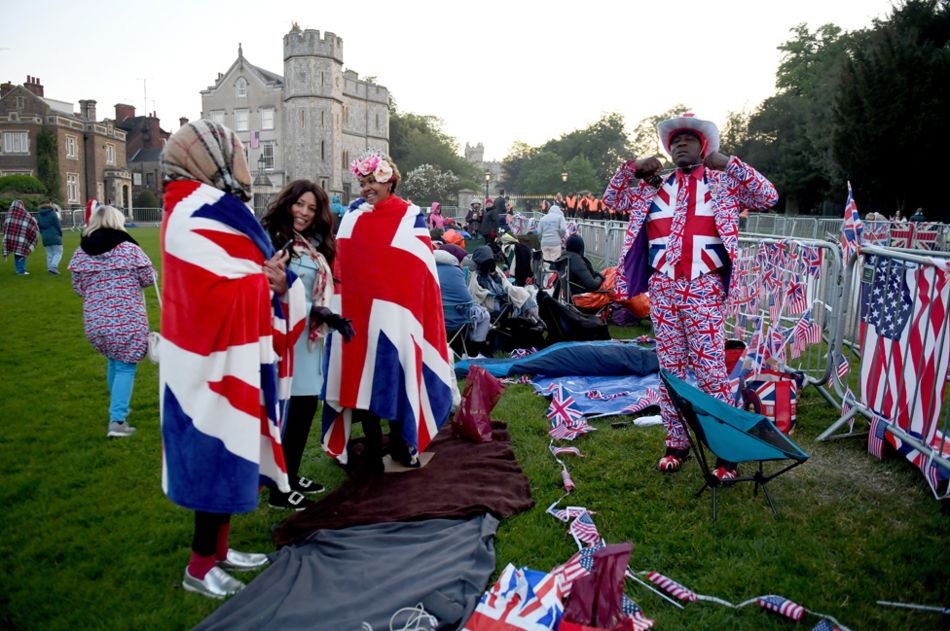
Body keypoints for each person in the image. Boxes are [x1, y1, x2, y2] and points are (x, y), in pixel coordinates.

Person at [159, 120, 307, 599]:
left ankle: (219, 551)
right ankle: (199, 568)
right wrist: (266, 281)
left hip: (232, 351)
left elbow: (245, 272)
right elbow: (213, 283)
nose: (244, 162)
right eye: (236, 152)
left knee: (232, 448)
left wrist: (274, 282)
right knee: (212, 452)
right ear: (211, 160)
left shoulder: (208, 207)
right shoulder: (189, 211)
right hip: (206, 359)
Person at [604, 112, 777, 480]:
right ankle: (676, 442)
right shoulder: (652, 187)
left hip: (703, 287)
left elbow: (768, 196)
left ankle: (725, 450)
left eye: (688, 138)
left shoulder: (724, 183)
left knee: (711, 372)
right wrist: (632, 167)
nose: (680, 143)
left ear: (704, 146)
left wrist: (731, 163)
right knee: (670, 370)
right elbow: (612, 198)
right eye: (675, 141)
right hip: (663, 288)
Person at [321, 151, 455, 474]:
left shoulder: (410, 216)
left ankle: (400, 444)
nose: (367, 188)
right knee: (362, 384)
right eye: (363, 183)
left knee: (395, 380)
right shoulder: (351, 217)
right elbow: (343, 264)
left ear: (389, 180)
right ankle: (371, 447)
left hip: (396, 316)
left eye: (373, 182)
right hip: (358, 315)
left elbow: (420, 269)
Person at [260, 180, 354, 510]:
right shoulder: (274, 241)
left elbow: (310, 288)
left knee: (303, 412)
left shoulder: (310, 245)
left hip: (310, 339)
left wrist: (326, 315)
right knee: (289, 413)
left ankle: (291, 474)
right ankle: (277, 489)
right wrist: (319, 311)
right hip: (285, 339)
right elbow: (271, 292)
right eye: (300, 204)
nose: (304, 212)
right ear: (288, 202)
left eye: (312, 208)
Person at [67, 204, 155, 437]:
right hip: (127, 320)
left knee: (114, 361)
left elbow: (78, 287)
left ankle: (120, 404)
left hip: (96, 322)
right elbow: (148, 278)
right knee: (126, 366)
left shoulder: (81, 253)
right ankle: (117, 421)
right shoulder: (130, 250)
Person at [435, 245, 491, 357]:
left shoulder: (427, 268)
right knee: (484, 315)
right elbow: (467, 300)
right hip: (454, 320)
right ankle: (474, 351)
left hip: (432, 319)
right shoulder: (455, 271)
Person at [2, 200, 39, 275]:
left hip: (11, 238)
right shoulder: (25, 214)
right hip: (21, 238)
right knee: (21, 253)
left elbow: (5, 226)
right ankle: (20, 271)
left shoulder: (9, 215)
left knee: (17, 253)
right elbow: (32, 222)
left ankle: (19, 269)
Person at [37, 201, 64, 274]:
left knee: (49, 254)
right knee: (58, 252)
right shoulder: (53, 214)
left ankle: (50, 269)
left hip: (45, 236)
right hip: (54, 235)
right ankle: (53, 266)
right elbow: (57, 225)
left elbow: (39, 226)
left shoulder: (39, 215)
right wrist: (60, 233)